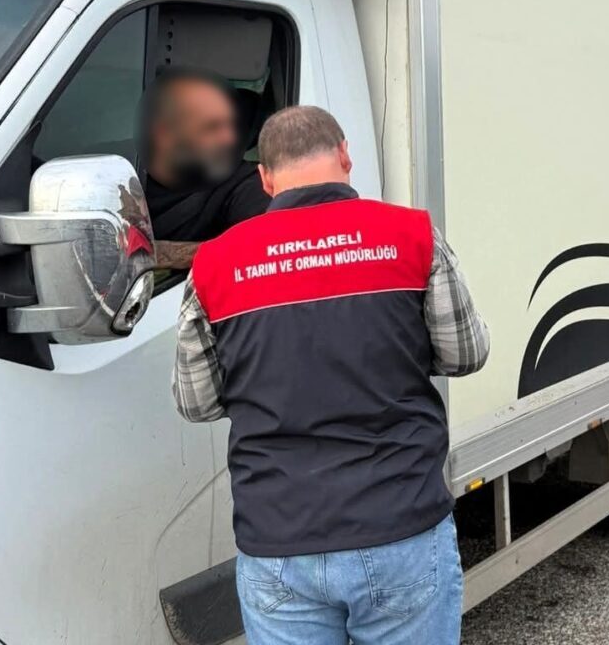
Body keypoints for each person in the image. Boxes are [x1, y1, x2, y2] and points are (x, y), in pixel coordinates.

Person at [171, 105, 489, 645]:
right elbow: (465, 354)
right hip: (400, 525)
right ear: (345, 155)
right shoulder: (413, 238)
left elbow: (197, 402)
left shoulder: (214, 267)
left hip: (278, 540)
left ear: (266, 178)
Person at [140, 67, 271, 268]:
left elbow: (261, 249)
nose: (229, 139)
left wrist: (159, 254)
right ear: (164, 133)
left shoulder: (245, 183)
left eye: (231, 126)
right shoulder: (122, 166)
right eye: (212, 126)